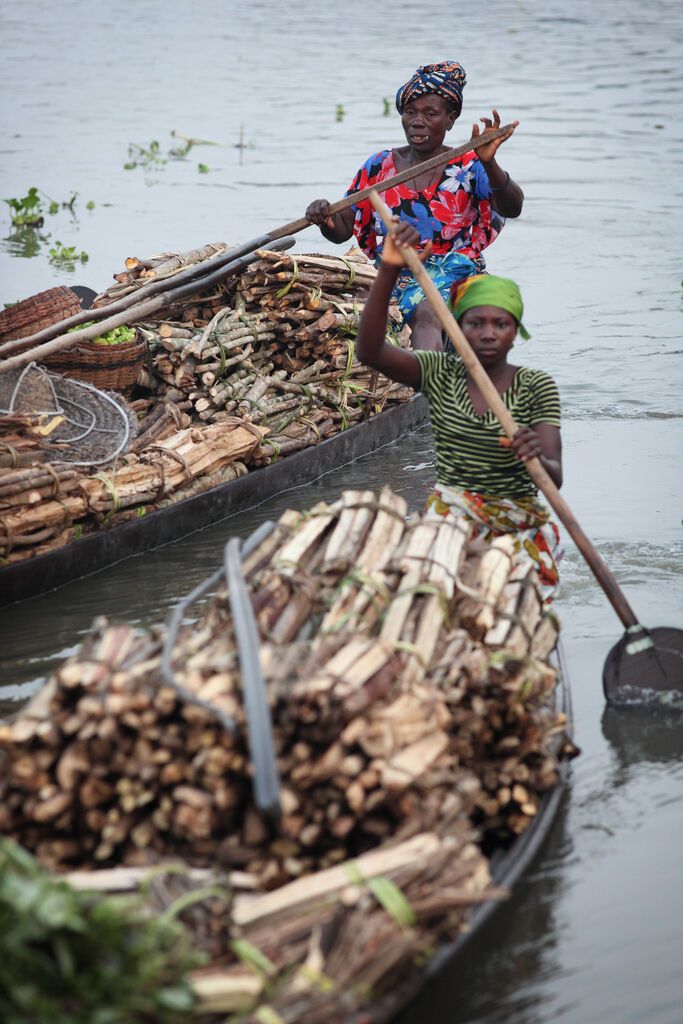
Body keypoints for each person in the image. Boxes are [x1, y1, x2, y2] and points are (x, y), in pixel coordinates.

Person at [355, 221, 563, 597]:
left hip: (513, 521)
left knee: (510, 587)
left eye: (499, 324)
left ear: (514, 331)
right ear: (459, 329)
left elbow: (554, 475)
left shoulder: (535, 386)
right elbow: (369, 351)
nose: (487, 333)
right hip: (452, 516)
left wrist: (533, 454)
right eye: (475, 323)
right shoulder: (440, 374)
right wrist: (388, 269)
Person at [306, 60, 523, 351]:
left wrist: (489, 161)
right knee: (345, 322)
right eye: (410, 112)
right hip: (392, 274)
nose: (417, 121)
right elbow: (343, 228)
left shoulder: (468, 166)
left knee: (426, 314)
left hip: (453, 275)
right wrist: (325, 216)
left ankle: (426, 382)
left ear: (451, 119)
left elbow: (513, 206)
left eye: (430, 113)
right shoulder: (379, 166)